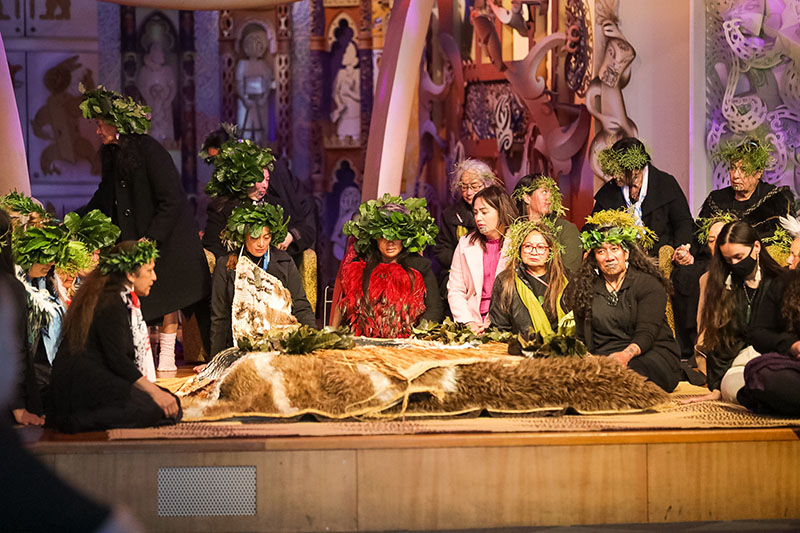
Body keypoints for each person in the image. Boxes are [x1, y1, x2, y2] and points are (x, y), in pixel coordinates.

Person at [79, 85, 211, 369]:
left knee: (168, 292)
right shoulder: (112, 156)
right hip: (138, 238)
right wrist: (78, 222)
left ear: (117, 124)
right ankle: (146, 357)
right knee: (143, 295)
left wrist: (151, 239)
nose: (98, 131)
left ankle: (166, 355)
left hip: (169, 239)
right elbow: (104, 196)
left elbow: (171, 200)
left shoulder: (150, 151)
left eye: (101, 124)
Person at [47, 240, 182, 433]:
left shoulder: (116, 296)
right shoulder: (110, 301)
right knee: (157, 407)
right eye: (149, 270)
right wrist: (152, 392)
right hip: (84, 384)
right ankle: (77, 420)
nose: (154, 277)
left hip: (98, 376)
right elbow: (117, 359)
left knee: (169, 402)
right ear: (130, 274)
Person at [568, 209, 682, 392]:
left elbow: (647, 333)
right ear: (595, 259)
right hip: (604, 358)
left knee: (629, 374)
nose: (609, 257)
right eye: (601, 251)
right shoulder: (585, 288)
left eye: (614, 249)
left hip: (649, 352)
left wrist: (624, 356)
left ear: (626, 253)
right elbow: (581, 337)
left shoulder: (647, 284)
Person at [692, 221, 786, 404]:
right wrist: (717, 386)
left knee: (774, 382)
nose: (734, 264)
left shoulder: (779, 282)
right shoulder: (724, 285)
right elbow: (719, 340)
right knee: (734, 389)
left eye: (739, 256)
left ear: (756, 247)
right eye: (728, 260)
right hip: (739, 365)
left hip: (775, 362)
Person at [210, 203, 315, 356]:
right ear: (243, 237)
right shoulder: (227, 265)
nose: (261, 244)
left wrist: (313, 342)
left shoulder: (284, 262)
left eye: (266, 238)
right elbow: (220, 317)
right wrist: (216, 360)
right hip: (240, 348)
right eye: (254, 238)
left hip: (280, 345)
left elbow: (300, 305)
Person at [202, 132, 316, 268]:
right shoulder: (223, 207)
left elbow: (306, 229)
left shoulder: (275, 204)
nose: (264, 185)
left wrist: (290, 236)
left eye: (267, 179)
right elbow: (213, 245)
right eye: (258, 179)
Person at [337, 194, 442, 337]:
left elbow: (434, 309)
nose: (390, 242)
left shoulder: (420, 267)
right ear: (375, 237)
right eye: (385, 236)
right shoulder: (360, 269)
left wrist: (417, 337)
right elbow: (348, 312)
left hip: (408, 345)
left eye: (396, 236)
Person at [592, 137, 694, 259]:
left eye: (619, 171)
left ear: (636, 170)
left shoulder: (666, 184)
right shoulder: (610, 190)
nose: (614, 176)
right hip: (622, 259)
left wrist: (681, 249)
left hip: (662, 258)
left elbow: (683, 222)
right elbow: (593, 224)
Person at [448, 185, 517, 334]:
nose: (478, 218)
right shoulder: (466, 242)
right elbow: (455, 289)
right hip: (472, 322)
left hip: (506, 324)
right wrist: (468, 321)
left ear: (501, 211)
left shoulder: (518, 242)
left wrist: (494, 322)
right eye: (476, 213)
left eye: (484, 212)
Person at [489, 219, 572, 338]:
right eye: (528, 246)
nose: (534, 252)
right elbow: (499, 329)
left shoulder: (566, 278)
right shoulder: (505, 281)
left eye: (541, 247)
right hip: (522, 352)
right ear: (519, 249)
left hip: (563, 351)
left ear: (550, 251)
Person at [697, 137, 794, 239]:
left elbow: (785, 240)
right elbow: (697, 238)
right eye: (732, 168)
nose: (735, 175)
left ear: (759, 172)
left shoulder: (775, 200)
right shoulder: (717, 200)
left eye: (743, 169)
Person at [737, 265, 800, 415]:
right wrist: (793, 345)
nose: (790, 260)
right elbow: (759, 334)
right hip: (793, 369)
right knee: (762, 375)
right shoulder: (784, 283)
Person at [433, 159, 498, 285]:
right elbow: (441, 249)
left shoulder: (498, 211)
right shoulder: (450, 214)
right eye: (464, 187)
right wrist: (462, 263)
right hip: (459, 273)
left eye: (474, 186)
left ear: (487, 184)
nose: (469, 192)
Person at [512, 173, 582, 272]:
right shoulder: (513, 232)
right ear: (527, 198)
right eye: (544, 192)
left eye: (552, 192)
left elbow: (570, 271)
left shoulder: (566, 230)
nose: (550, 197)